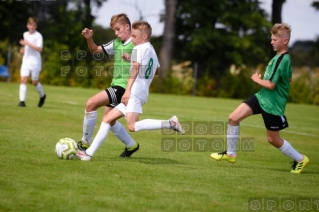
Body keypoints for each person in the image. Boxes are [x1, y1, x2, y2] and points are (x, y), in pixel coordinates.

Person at [77, 20, 184, 161]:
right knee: (108, 119)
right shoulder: (150, 49)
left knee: (132, 126)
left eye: (134, 36)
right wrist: (131, 60)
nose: (132, 39)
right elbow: (156, 70)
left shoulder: (138, 48)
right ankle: (88, 154)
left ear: (144, 36)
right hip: (142, 92)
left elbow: (135, 69)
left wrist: (127, 91)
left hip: (134, 92)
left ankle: (170, 123)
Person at [210, 23, 309, 174]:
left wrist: (257, 79)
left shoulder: (282, 59)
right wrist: (267, 81)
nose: (272, 42)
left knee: (273, 139)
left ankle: (300, 159)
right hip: (261, 97)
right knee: (233, 118)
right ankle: (231, 154)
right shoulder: (279, 58)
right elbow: (288, 79)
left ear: (285, 41)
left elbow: (271, 85)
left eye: (275, 39)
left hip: (273, 105)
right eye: (272, 38)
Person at [77, 13, 141, 158]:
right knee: (109, 120)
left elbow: (140, 66)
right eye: (114, 30)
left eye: (118, 29)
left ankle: (85, 143)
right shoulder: (116, 43)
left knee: (91, 103)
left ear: (127, 26)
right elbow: (95, 50)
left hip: (123, 88)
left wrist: (129, 89)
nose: (116, 33)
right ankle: (132, 145)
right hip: (116, 85)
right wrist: (89, 39)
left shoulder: (136, 44)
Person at [18, 17, 46, 107]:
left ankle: (42, 96)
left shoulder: (38, 36)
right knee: (23, 79)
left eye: (34, 25)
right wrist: (23, 50)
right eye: (30, 25)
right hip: (26, 61)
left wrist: (28, 43)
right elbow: (27, 47)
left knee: (34, 82)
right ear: (27, 25)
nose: (32, 27)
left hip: (35, 62)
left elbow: (39, 49)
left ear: (36, 26)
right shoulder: (25, 34)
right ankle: (22, 102)